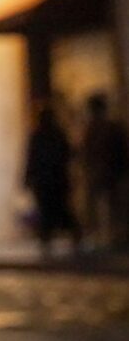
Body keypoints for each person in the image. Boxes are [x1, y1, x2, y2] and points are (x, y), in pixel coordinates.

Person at [25, 107, 81, 253]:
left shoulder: (42, 135)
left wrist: (28, 178)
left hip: (49, 180)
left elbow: (32, 159)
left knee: (53, 209)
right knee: (54, 209)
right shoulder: (54, 134)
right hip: (53, 179)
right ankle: (49, 237)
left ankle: (50, 237)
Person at [82, 93, 129, 249]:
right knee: (108, 206)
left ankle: (108, 236)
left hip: (106, 172)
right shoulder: (106, 128)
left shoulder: (99, 129)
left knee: (106, 206)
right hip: (107, 172)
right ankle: (109, 236)